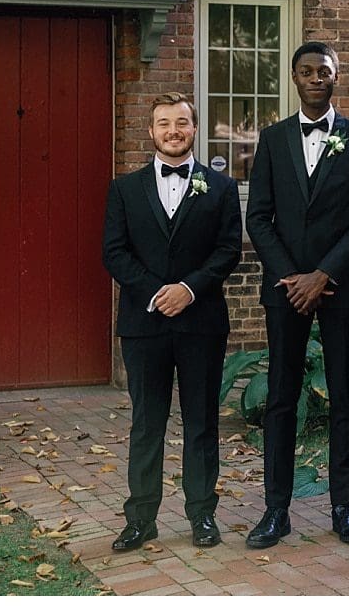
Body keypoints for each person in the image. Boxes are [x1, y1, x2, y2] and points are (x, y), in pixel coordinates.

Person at [244, 42, 349, 549]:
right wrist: (291, 277)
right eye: (307, 71)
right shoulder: (273, 138)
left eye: (325, 71)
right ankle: (275, 509)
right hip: (285, 289)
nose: (316, 78)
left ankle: (344, 507)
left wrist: (322, 275)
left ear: (336, 77)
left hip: (340, 287)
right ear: (294, 78)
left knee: (346, 398)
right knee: (281, 398)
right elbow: (258, 215)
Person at [100, 93, 242, 551]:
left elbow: (228, 250)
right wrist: (157, 294)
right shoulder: (124, 188)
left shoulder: (220, 187)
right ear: (152, 131)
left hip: (201, 322)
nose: (173, 131)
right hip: (144, 324)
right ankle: (141, 518)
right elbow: (114, 252)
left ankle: (202, 515)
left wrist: (189, 289)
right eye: (164, 123)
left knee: (201, 421)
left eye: (182, 122)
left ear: (195, 128)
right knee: (147, 422)